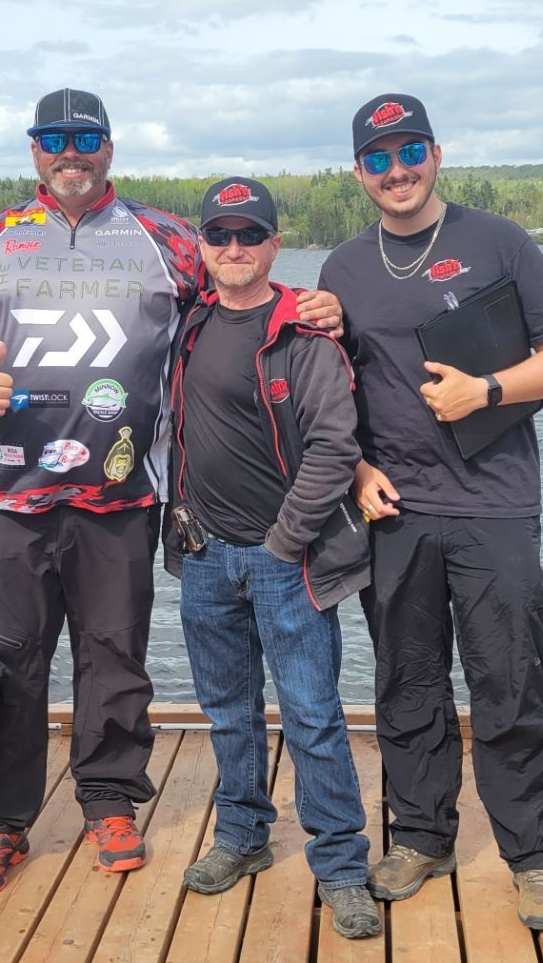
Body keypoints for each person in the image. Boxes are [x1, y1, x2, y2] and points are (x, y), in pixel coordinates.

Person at [0, 88, 341, 898]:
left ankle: (110, 797)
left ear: (109, 147)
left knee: (115, 657)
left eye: (85, 139)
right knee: (8, 662)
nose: (68, 153)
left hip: (121, 493)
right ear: (34, 148)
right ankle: (1, 819)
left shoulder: (167, 238)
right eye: (53, 139)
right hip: (11, 492)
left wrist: (318, 306)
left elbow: (237, 299)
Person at [318, 95, 543, 933]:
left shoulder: (496, 240)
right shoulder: (343, 268)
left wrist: (491, 389)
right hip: (394, 506)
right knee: (406, 682)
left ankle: (534, 854)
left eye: (409, 153)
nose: (396, 172)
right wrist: (358, 468)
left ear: (436, 153)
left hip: (496, 503)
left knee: (508, 678)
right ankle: (423, 835)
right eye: (378, 158)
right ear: (358, 170)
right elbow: (336, 394)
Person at [164, 178, 379, 939]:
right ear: (202, 247)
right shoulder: (188, 326)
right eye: (219, 236)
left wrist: (286, 542)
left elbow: (333, 447)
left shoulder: (305, 332)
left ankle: (343, 866)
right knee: (227, 713)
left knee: (314, 716)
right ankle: (243, 838)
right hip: (202, 556)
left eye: (248, 235)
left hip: (285, 560)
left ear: (274, 244)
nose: (233, 249)